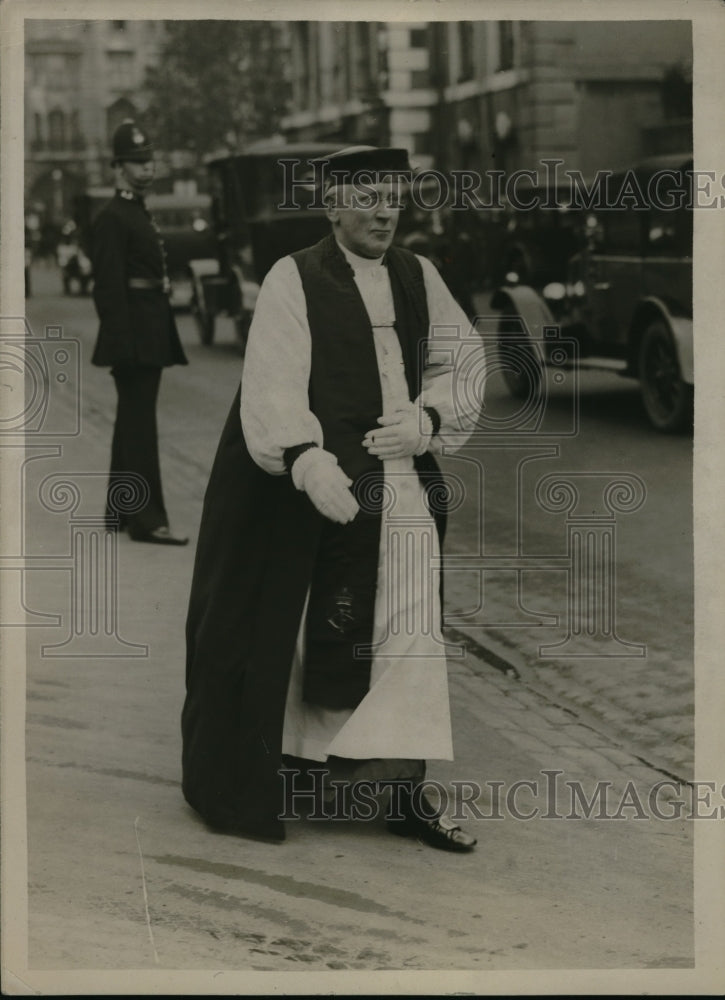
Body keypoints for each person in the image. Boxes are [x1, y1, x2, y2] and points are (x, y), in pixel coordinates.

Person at [182, 146, 483, 851]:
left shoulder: (418, 274)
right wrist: (305, 458)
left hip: (400, 492)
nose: (385, 213)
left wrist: (428, 419)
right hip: (320, 499)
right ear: (332, 206)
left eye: (393, 198)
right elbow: (272, 380)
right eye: (368, 198)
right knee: (305, 638)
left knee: (407, 638)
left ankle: (400, 787)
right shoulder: (294, 277)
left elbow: (465, 359)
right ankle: (300, 778)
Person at [90, 120, 189, 545]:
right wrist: (122, 345)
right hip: (134, 337)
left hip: (147, 331)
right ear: (118, 167)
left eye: (149, 160)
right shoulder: (113, 217)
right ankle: (148, 520)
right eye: (137, 161)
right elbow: (108, 289)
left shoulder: (134, 211)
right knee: (140, 427)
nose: (147, 167)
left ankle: (119, 511)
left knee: (131, 421)